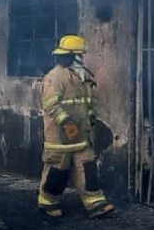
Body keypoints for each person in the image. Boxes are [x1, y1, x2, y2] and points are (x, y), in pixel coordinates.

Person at [37, 34, 115, 219]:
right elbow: (51, 105)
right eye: (80, 54)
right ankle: (48, 202)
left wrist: (91, 123)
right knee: (57, 171)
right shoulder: (55, 77)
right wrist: (67, 123)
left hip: (82, 135)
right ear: (71, 56)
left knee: (87, 168)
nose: (82, 58)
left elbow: (87, 104)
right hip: (60, 137)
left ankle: (95, 203)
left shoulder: (82, 77)